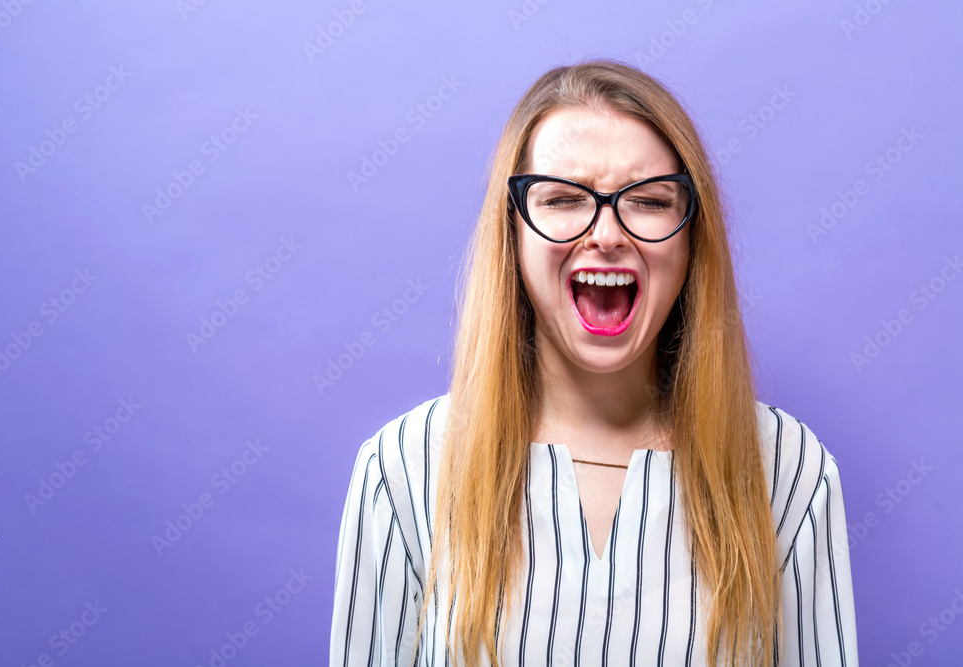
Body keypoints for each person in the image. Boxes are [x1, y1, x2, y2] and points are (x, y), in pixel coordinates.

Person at [330, 59, 859, 667]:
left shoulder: (789, 471)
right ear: (514, 235)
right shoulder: (402, 471)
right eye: (561, 198)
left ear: (692, 238)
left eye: (650, 201)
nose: (607, 233)